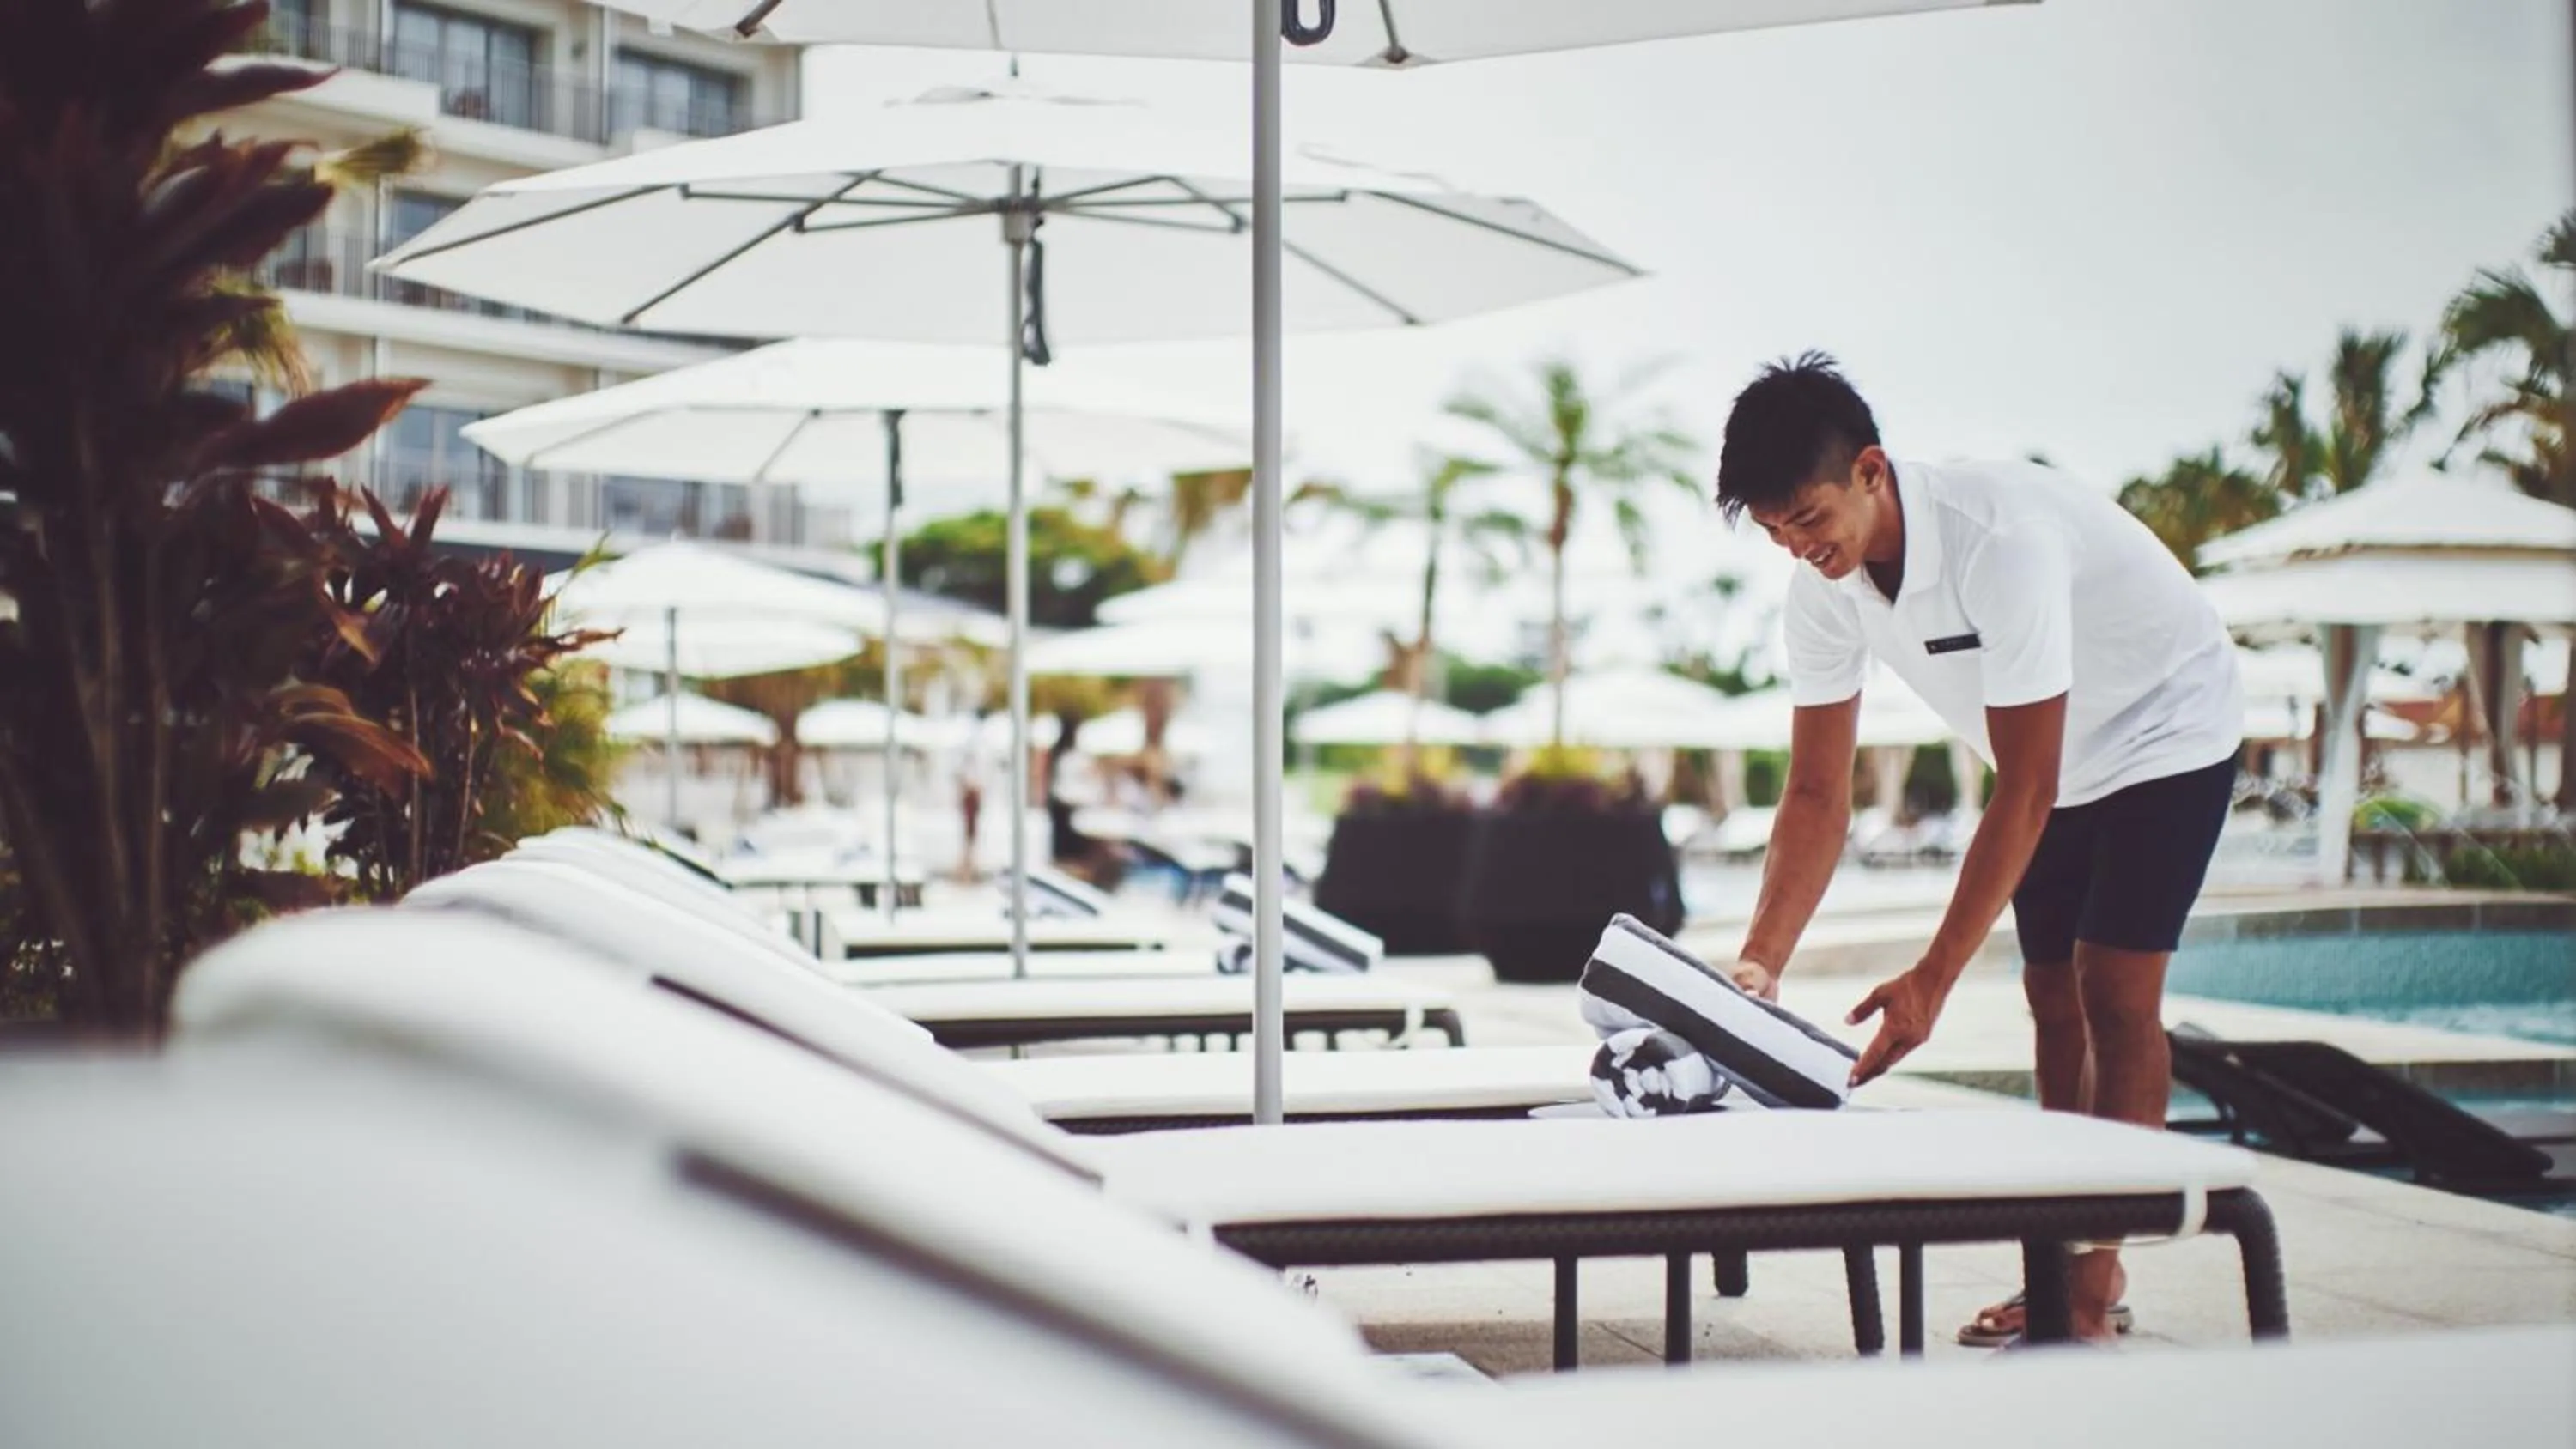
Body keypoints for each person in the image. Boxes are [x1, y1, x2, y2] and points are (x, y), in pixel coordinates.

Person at [1713, 352, 2243, 1348]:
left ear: (1871, 469)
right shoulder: (1820, 589)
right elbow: (1819, 792)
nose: (1797, 546)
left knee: (2114, 992)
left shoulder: (2002, 539)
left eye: (1810, 518)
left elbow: (2026, 784)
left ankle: (2090, 1285)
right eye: (1775, 530)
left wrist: (1933, 978)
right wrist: (1761, 960)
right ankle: (2062, 1256)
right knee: (2052, 997)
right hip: (2059, 764)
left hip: (2167, 723)